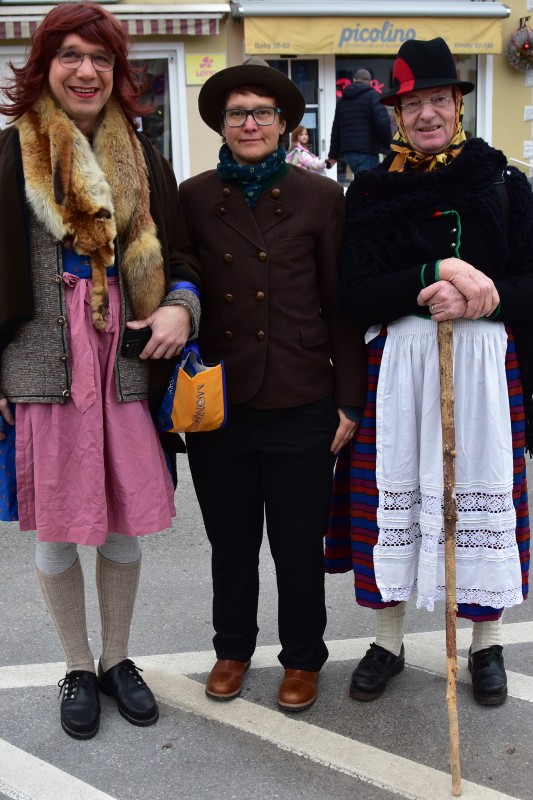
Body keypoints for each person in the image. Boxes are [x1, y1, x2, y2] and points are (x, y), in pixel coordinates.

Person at [0, 1, 201, 739]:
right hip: (42, 364)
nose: (86, 71)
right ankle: (78, 666)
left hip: (127, 362)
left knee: (122, 522)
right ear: (44, 67)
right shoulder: (8, 153)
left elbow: (184, 258)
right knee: (57, 529)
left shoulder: (144, 158)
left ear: (118, 73)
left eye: (101, 59)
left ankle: (118, 660)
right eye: (71, 56)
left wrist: (180, 308)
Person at [326, 37, 531, 707]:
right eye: (411, 105)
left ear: (458, 105)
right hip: (399, 370)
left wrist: (482, 298)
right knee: (396, 498)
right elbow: (354, 293)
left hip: (483, 368)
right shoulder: (370, 192)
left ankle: (486, 644)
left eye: (438, 100)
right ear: (395, 114)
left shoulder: (502, 182)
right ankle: (387, 641)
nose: (426, 115)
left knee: (478, 499)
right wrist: (430, 274)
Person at [179, 56, 366, 712]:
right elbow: (180, 284)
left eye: (262, 113)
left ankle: (302, 658)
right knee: (230, 542)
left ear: (284, 124)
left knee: (296, 545)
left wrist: (349, 398)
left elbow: (339, 304)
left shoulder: (320, 197)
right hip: (220, 401)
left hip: (302, 395)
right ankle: (232, 648)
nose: (250, 124)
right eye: (237, 114)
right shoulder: (194, 196)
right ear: (221, 126)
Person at [328, 68, 392, 178]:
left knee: (361, 182)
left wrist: (333, 155)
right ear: (370, 82)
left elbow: (336, 130)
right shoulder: (373, 96)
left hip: (348, 153)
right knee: (370, 185)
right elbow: (383, 122)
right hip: (367, 151)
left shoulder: (343, 100)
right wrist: (389, 146)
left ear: (354, 80)